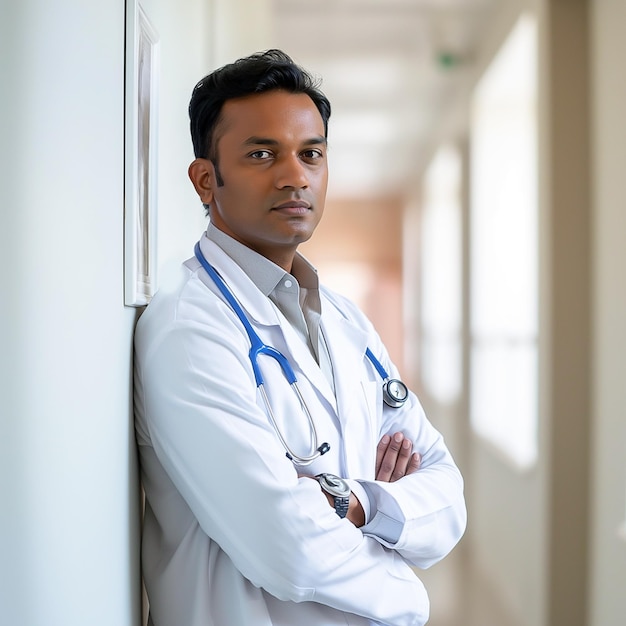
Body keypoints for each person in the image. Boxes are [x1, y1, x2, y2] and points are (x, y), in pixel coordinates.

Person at [134, 49, 466, 626]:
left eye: (311, 153)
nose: (295, 175)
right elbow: (288, 549)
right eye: (262, 153)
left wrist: (352, 501)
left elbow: (448, 496)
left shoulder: (344, 321)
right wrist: (405, 587)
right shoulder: (189, 331)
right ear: (205, 179)